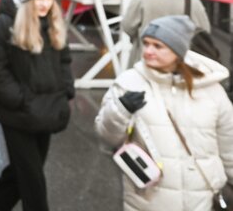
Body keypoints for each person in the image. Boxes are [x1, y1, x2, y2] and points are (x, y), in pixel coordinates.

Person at [95, 15, 233, 210]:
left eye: (158, 46)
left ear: (177, 50)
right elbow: (107, 138)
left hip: (201, 200)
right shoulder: (128, 83)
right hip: (148, 200)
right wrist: (120, 110)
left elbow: (228, 146)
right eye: (146, 44)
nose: (148, 51)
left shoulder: (211, 90)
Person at [0, 0, 74, 211]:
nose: (45, 4)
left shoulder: (53, 22)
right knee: (33, 178)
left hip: (47, 109)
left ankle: (0, 197)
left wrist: (66, 90)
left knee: (26, 169)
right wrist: (19, 99)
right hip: (18, 114)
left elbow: (64, 59)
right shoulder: (6, 25)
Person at [120, 0, 211, 68]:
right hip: (180, 63)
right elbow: (204, 30)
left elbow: (127, 26)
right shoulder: (192, 1)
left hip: (145, 59)